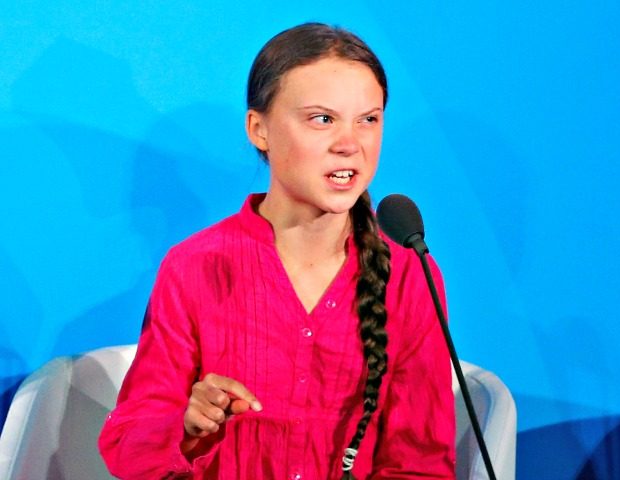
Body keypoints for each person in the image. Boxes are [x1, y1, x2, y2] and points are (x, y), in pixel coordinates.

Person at [99, 22, 455, 479]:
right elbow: (127, 447)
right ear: (259, 129)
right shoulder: (195, 266)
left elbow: (420, 464)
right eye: (322, 119)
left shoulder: (408, 275)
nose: (350, 145)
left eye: (368, 119)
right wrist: (186, 427)